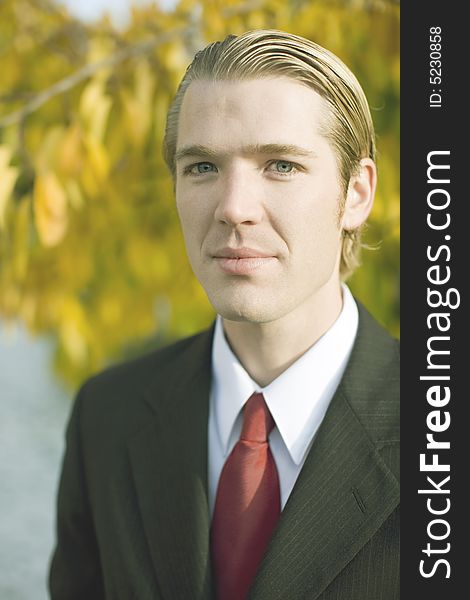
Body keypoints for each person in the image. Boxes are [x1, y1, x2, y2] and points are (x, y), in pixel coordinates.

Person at [49, 29, 399, 600]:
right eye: (203, 167)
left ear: (356, 193)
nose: (233, 207)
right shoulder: (105, 418)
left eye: (281, 165)